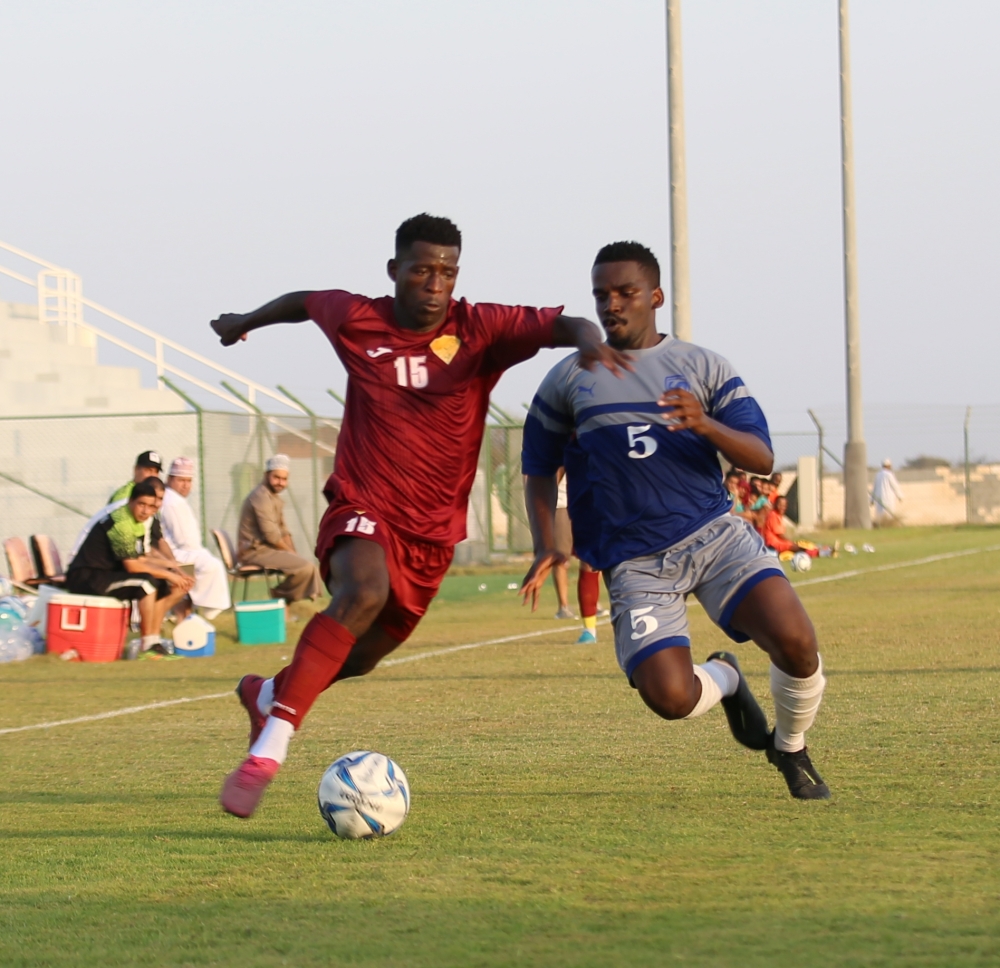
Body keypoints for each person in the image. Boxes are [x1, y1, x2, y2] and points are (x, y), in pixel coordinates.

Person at [209, 213, 627, 818]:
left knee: (364, 654)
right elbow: (305, 301)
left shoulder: (480, 328)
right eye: (422, 270)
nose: (435, 284)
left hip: (432, 534)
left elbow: (564, 324)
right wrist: (244, 322)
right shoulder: (358, 318)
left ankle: (270, 693)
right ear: (394, 270)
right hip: (362, 503)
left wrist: (590, 342)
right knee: (363, 591)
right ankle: (266, 753)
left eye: (447, 272)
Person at [520, 241, 830, 801]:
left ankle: (791, 747)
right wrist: (548, 541)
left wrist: (705, 423)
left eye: (626, 292)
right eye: (601, 295)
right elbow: (538, 467)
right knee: (670, 699)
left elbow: (761, 457)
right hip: (636, 562)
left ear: (656, 297)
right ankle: (727, 678)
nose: (612, 304)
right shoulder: (569, 379)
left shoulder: (703, 366)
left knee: (796, 642)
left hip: (715, 537)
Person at [66, 478, 195, 656]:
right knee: (146, 584)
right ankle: (147, 646)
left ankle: (154, 641)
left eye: (151, 506)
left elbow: (142, 557)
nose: (146, 511)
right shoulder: (121, 523)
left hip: (107, 574)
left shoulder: (139, 522)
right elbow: (133, 566)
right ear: (130, 501)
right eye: (141, 504)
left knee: (171, 586)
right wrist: (169, 574)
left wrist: (176, 569)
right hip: (87, 577)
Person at [237, 455, 324, 605]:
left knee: (307, 566)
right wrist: (291, 553)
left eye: (284, 479)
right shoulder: (261, 497)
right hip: (253, 551)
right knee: (305, 567)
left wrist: (294, 553)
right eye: (276, 477)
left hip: (266, 550)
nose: (280, 483)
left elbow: (283, 531)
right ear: (266, 475)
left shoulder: (273, 497)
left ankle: (282, 603)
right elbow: (271, 536)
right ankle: (278, 597)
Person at [159, 457, 232, 620]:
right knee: (210, 566)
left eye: (189, 481)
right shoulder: (172, 501)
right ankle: (170, 614)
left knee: (208, 564)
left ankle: (184, 618)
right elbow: (185, 540)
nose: (185, 485)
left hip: (181, 552)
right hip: (175, 555)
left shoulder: (175, 499)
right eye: (181, 480)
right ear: (169, 479)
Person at [551, 471, 576, 620]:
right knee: (561, 557)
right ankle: (564, 606)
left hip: (585, 501)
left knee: (592, 558)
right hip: (561, 504)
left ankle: (593, 603)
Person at [872, 458, 903, 525]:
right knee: (889, 512)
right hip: (888, 497)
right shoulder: (889, 474)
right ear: (889, 466)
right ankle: (889, 524)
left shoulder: (878, 475)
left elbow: (874, 487)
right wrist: (900, 496)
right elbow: (894, 486)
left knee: (880, 513)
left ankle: (880, 524)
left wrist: (872, 500)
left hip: (879, 497)